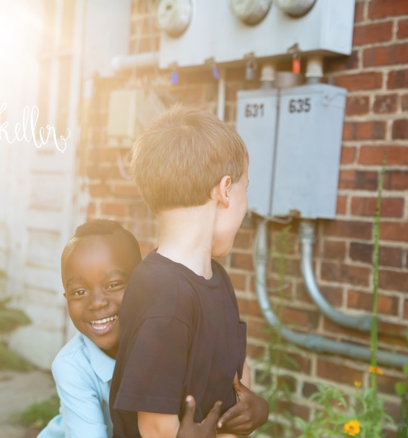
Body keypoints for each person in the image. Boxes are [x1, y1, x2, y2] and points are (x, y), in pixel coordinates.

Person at [110, 105, 268, 438]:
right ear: (225, 190)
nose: (245, 202)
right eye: (245, 188)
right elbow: (154, 426)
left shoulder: (217, 280)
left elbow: (235, 374)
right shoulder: (164, 294)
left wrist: (247, 412)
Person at [38, 219, 233, 438]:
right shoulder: (72, 366)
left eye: (113, 285)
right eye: (79, 292)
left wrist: (248, 410)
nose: (97, 303)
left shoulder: (165, 336)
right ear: (65, 298)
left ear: (142, 285)